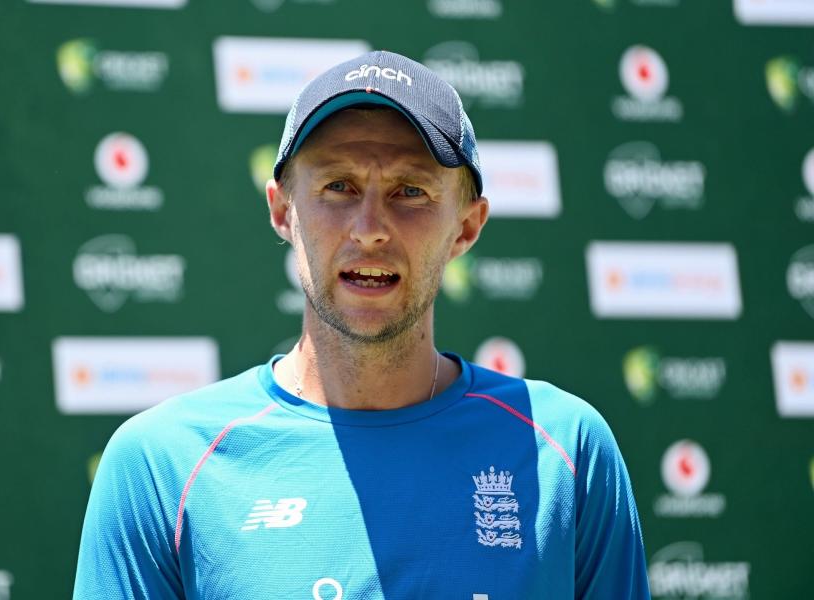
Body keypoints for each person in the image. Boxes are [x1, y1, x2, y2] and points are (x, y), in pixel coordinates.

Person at [74, 51, 650, 600]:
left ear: (467, 228)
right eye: (338, 187)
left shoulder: (566, 450)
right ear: (282, 210)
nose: (370, 227)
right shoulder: (160, 465)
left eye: (410, 191)